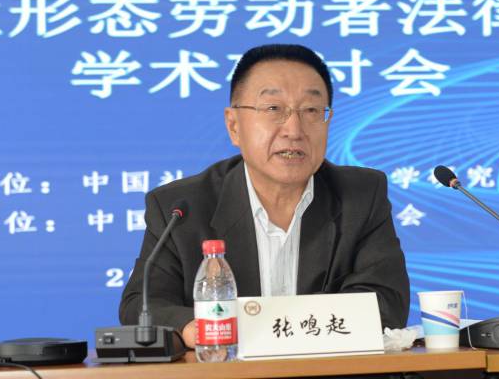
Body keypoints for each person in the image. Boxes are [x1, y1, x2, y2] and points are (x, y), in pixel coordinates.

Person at [119, 44, 410, 349]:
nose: (294, 130)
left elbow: (386, 303)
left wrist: (259, 329)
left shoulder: (361, 195)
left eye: (311, 111)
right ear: (234, 125)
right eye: (273, 109)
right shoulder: (182, 207)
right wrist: (198, 328)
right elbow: (142, 304)